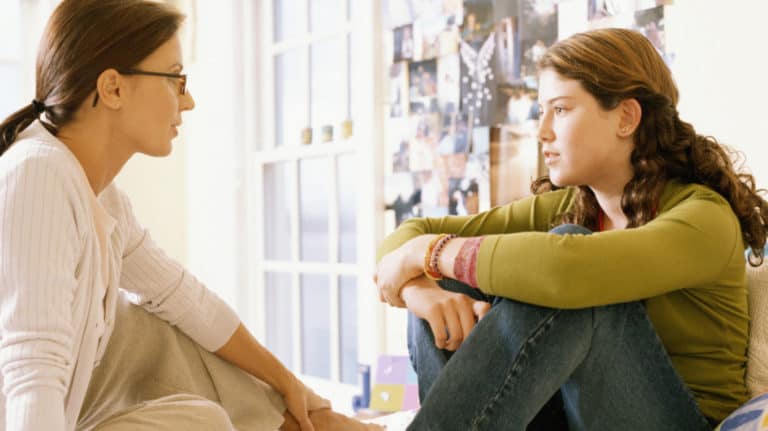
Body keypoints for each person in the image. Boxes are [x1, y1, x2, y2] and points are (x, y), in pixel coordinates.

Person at [0, 1, 381, 430]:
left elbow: (186, 299)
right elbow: (32, 376)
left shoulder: (103, 199)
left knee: (174, 345)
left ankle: (309, 423)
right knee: (199, 417)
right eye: (175, 79)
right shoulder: (39, 173)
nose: (189, 100)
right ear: (113, 88)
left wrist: (289, 384)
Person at [375, 28, 768, 430]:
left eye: (560, 110)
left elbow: (566, 269)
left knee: (570, 274)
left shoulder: (704, 218)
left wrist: (431, 252)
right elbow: (411, 231)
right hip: (575, 416)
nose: (541, 130)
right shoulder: (572, 206)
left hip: (679, 419)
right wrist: (421, 289)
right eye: (541, 110)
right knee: (451, 284)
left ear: (627, 117)